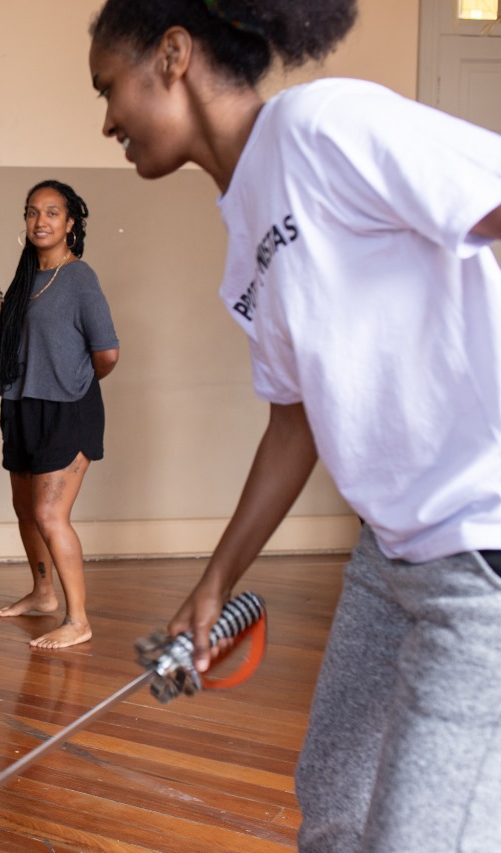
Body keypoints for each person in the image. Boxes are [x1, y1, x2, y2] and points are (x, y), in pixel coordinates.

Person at [87, 1, 501, 850]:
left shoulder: (321, 125)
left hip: (481, 553)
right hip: (388, 556)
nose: (106, 121)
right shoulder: (245, 229)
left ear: (172, 54)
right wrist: (215, 581)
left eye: (108, 87)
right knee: (334, 809)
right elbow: (295, 423)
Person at [0, 180, 120, 649]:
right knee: (26, 510)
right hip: (22, 403)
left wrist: (74, 381)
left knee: (48, 512)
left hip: (67, 408)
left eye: (52, 212)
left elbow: (107, 353)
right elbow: (29, 343)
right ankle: (43, 594)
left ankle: (78, 620)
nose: (40, 221)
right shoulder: (26, 279)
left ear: (70, 223)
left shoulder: (80, 278)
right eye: (32, 212)